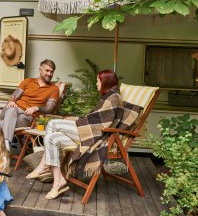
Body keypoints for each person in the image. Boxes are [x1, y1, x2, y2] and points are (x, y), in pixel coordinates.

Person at [26, 69, 142, 200]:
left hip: (95, 135)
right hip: (88, 132)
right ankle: (58, 181)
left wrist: (79, 121)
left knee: (53, 124)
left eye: (98, 80)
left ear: (106, 82)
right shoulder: (109, 96)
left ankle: (44, 164)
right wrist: (77, 119)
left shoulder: (114, 98)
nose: (96, 83)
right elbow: (94, 117)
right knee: (51, 138)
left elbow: (102, 122)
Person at [0, 59, 59, 150]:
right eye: (47, 70)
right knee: (11, 110)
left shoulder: (54, 89)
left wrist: (36, 108)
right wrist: (12, 101)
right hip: (13, 109)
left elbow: (49, 109)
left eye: (52, 72)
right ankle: (6, 145)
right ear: (40, 70)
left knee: (3, 124)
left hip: (26, 116)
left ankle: (4, 145)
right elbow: (14, 96)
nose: (49, 74)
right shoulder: (28, 81)